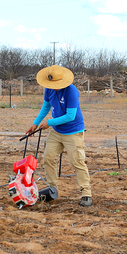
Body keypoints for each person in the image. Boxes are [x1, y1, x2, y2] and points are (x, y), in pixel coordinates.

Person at [25, 65, 92, 206]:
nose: (53, 87)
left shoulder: (71, 91)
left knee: (77, 162)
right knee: (48, 158)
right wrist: (35, 124)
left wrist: (49, 122)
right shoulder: (48, 89)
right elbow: (46, 106)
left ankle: (86, 193)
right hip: (56, 131)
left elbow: (70, 116)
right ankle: (51, 188)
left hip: (73, 131)